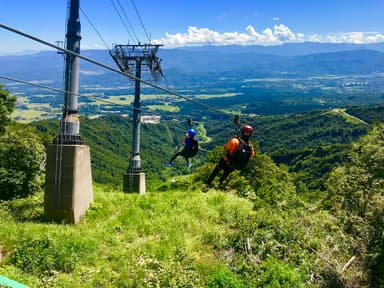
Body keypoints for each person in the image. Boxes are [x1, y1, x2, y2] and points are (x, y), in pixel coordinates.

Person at [205, 125, 254, 189]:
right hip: (234, 165)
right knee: (226, 173)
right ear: (250, 134)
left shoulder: (234, 141)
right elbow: (252, 155)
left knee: (216, 170)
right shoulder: (250, 147)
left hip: (225, 161)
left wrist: (234, 139)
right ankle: (219, 183)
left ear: (242, 132)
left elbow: (225, 149)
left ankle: (207, 184)